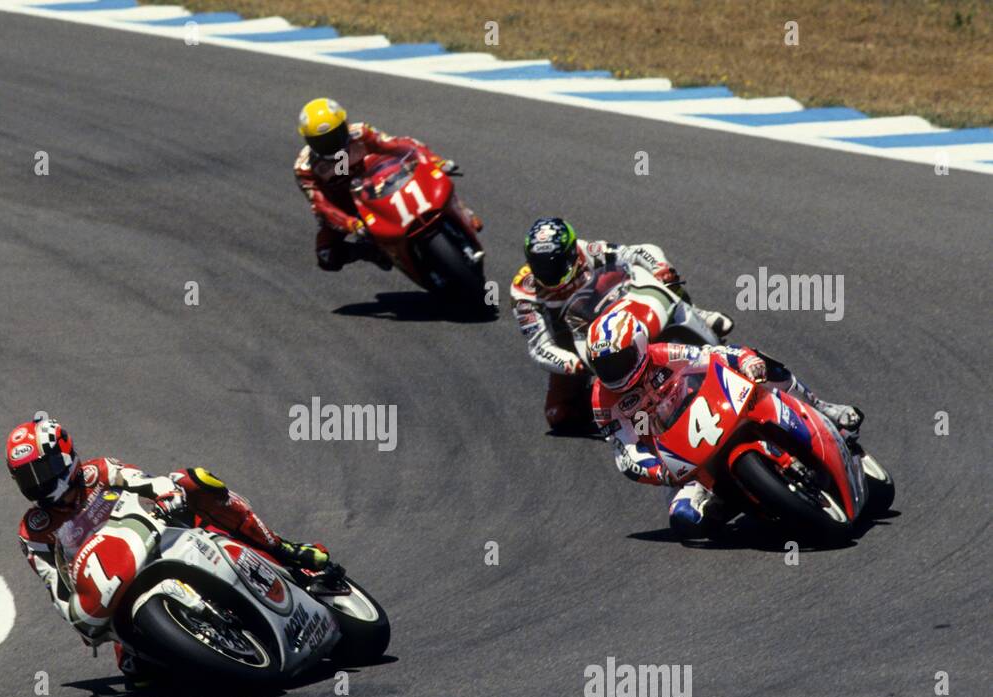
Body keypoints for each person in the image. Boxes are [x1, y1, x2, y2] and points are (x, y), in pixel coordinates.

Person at [6, 416, 328, 681]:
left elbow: (143, 481)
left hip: (160, 538)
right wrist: (80, 617)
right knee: (140, 676)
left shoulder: (98, 472)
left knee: (196, 481)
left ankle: (283, 548)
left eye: (42, 472)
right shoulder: (33, 530)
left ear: (65, 456)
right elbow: (57, 589)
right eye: (27, 478)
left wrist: (166, 492)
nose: (38, 484)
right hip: (115, 596)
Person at [585, 307, 862, 538]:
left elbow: (713, 355)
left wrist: (746, 360)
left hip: (711, 411)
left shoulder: (663, 354)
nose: (613, 371)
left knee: (762, 365)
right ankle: (741, 502)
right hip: (680, 462)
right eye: (605, 366)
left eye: (619, 361)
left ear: (640, 345)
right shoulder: (602, 399)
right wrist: (660, 472)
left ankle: (825, 408)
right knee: (686, 521)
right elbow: (625, 452)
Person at [511, 216, 735, 431]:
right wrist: (570, 363)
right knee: (559, 414)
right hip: (572, 344)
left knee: (666, 277)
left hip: (613, 311)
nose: (547, 273)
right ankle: (619, 418)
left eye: (554, 264)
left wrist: (659, 267)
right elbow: (539, 346)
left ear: (570, 252)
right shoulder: (523, 291)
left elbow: (637, 252)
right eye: (539, 265)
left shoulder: (587, 251)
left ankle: (697, 314)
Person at [294, 96, 477, 271]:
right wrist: (351, 224)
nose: (332, 144)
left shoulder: (361, 133)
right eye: (323, 141)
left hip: (381, 183)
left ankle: (461, 212)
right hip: (346, 207)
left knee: (436, 175)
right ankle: (370, 252)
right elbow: (320, 205)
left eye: (335, 135)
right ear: (309, 141)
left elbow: (400, 145)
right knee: (326, 256)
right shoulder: (305, 168)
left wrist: (435, 161)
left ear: (345, 124)